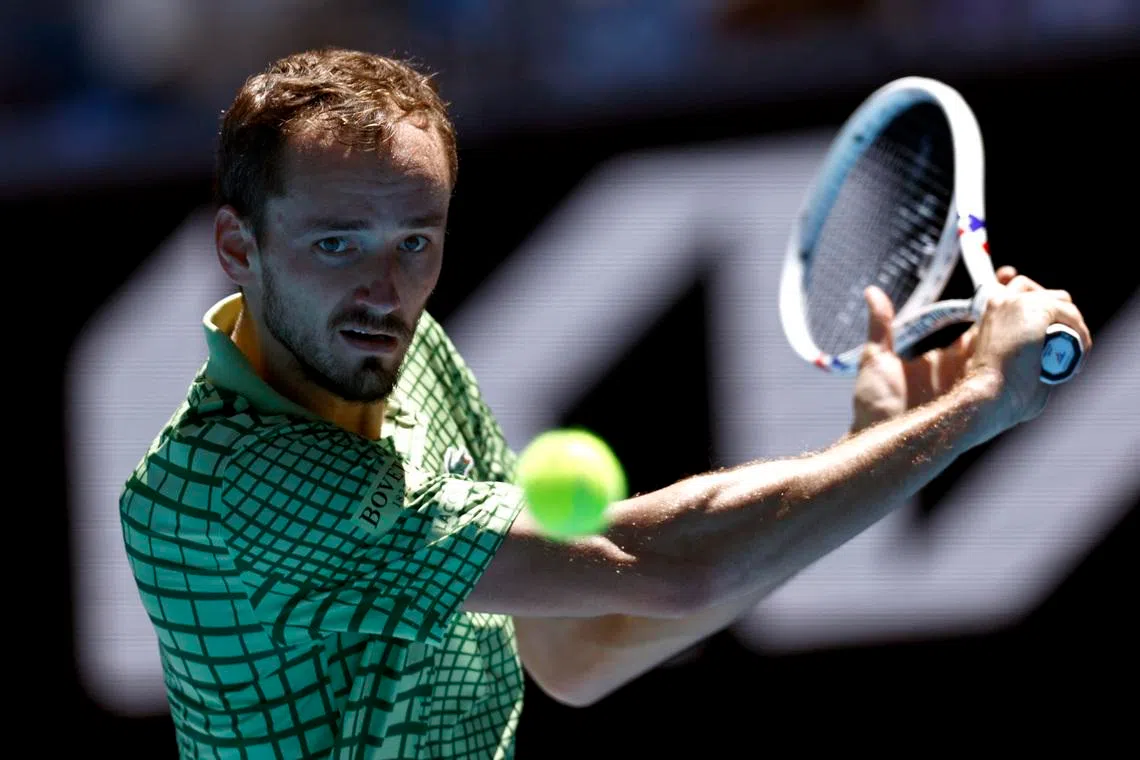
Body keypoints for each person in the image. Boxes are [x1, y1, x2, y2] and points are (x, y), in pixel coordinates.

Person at [120, 47, 1092, 759]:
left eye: (414, 240)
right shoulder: (235, 485)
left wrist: (888, 451)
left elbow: (574, 649)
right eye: (337, 243)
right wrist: (965, 408)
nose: (385, 288)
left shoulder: (408, 361)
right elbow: (661, 569)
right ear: (238, 248)